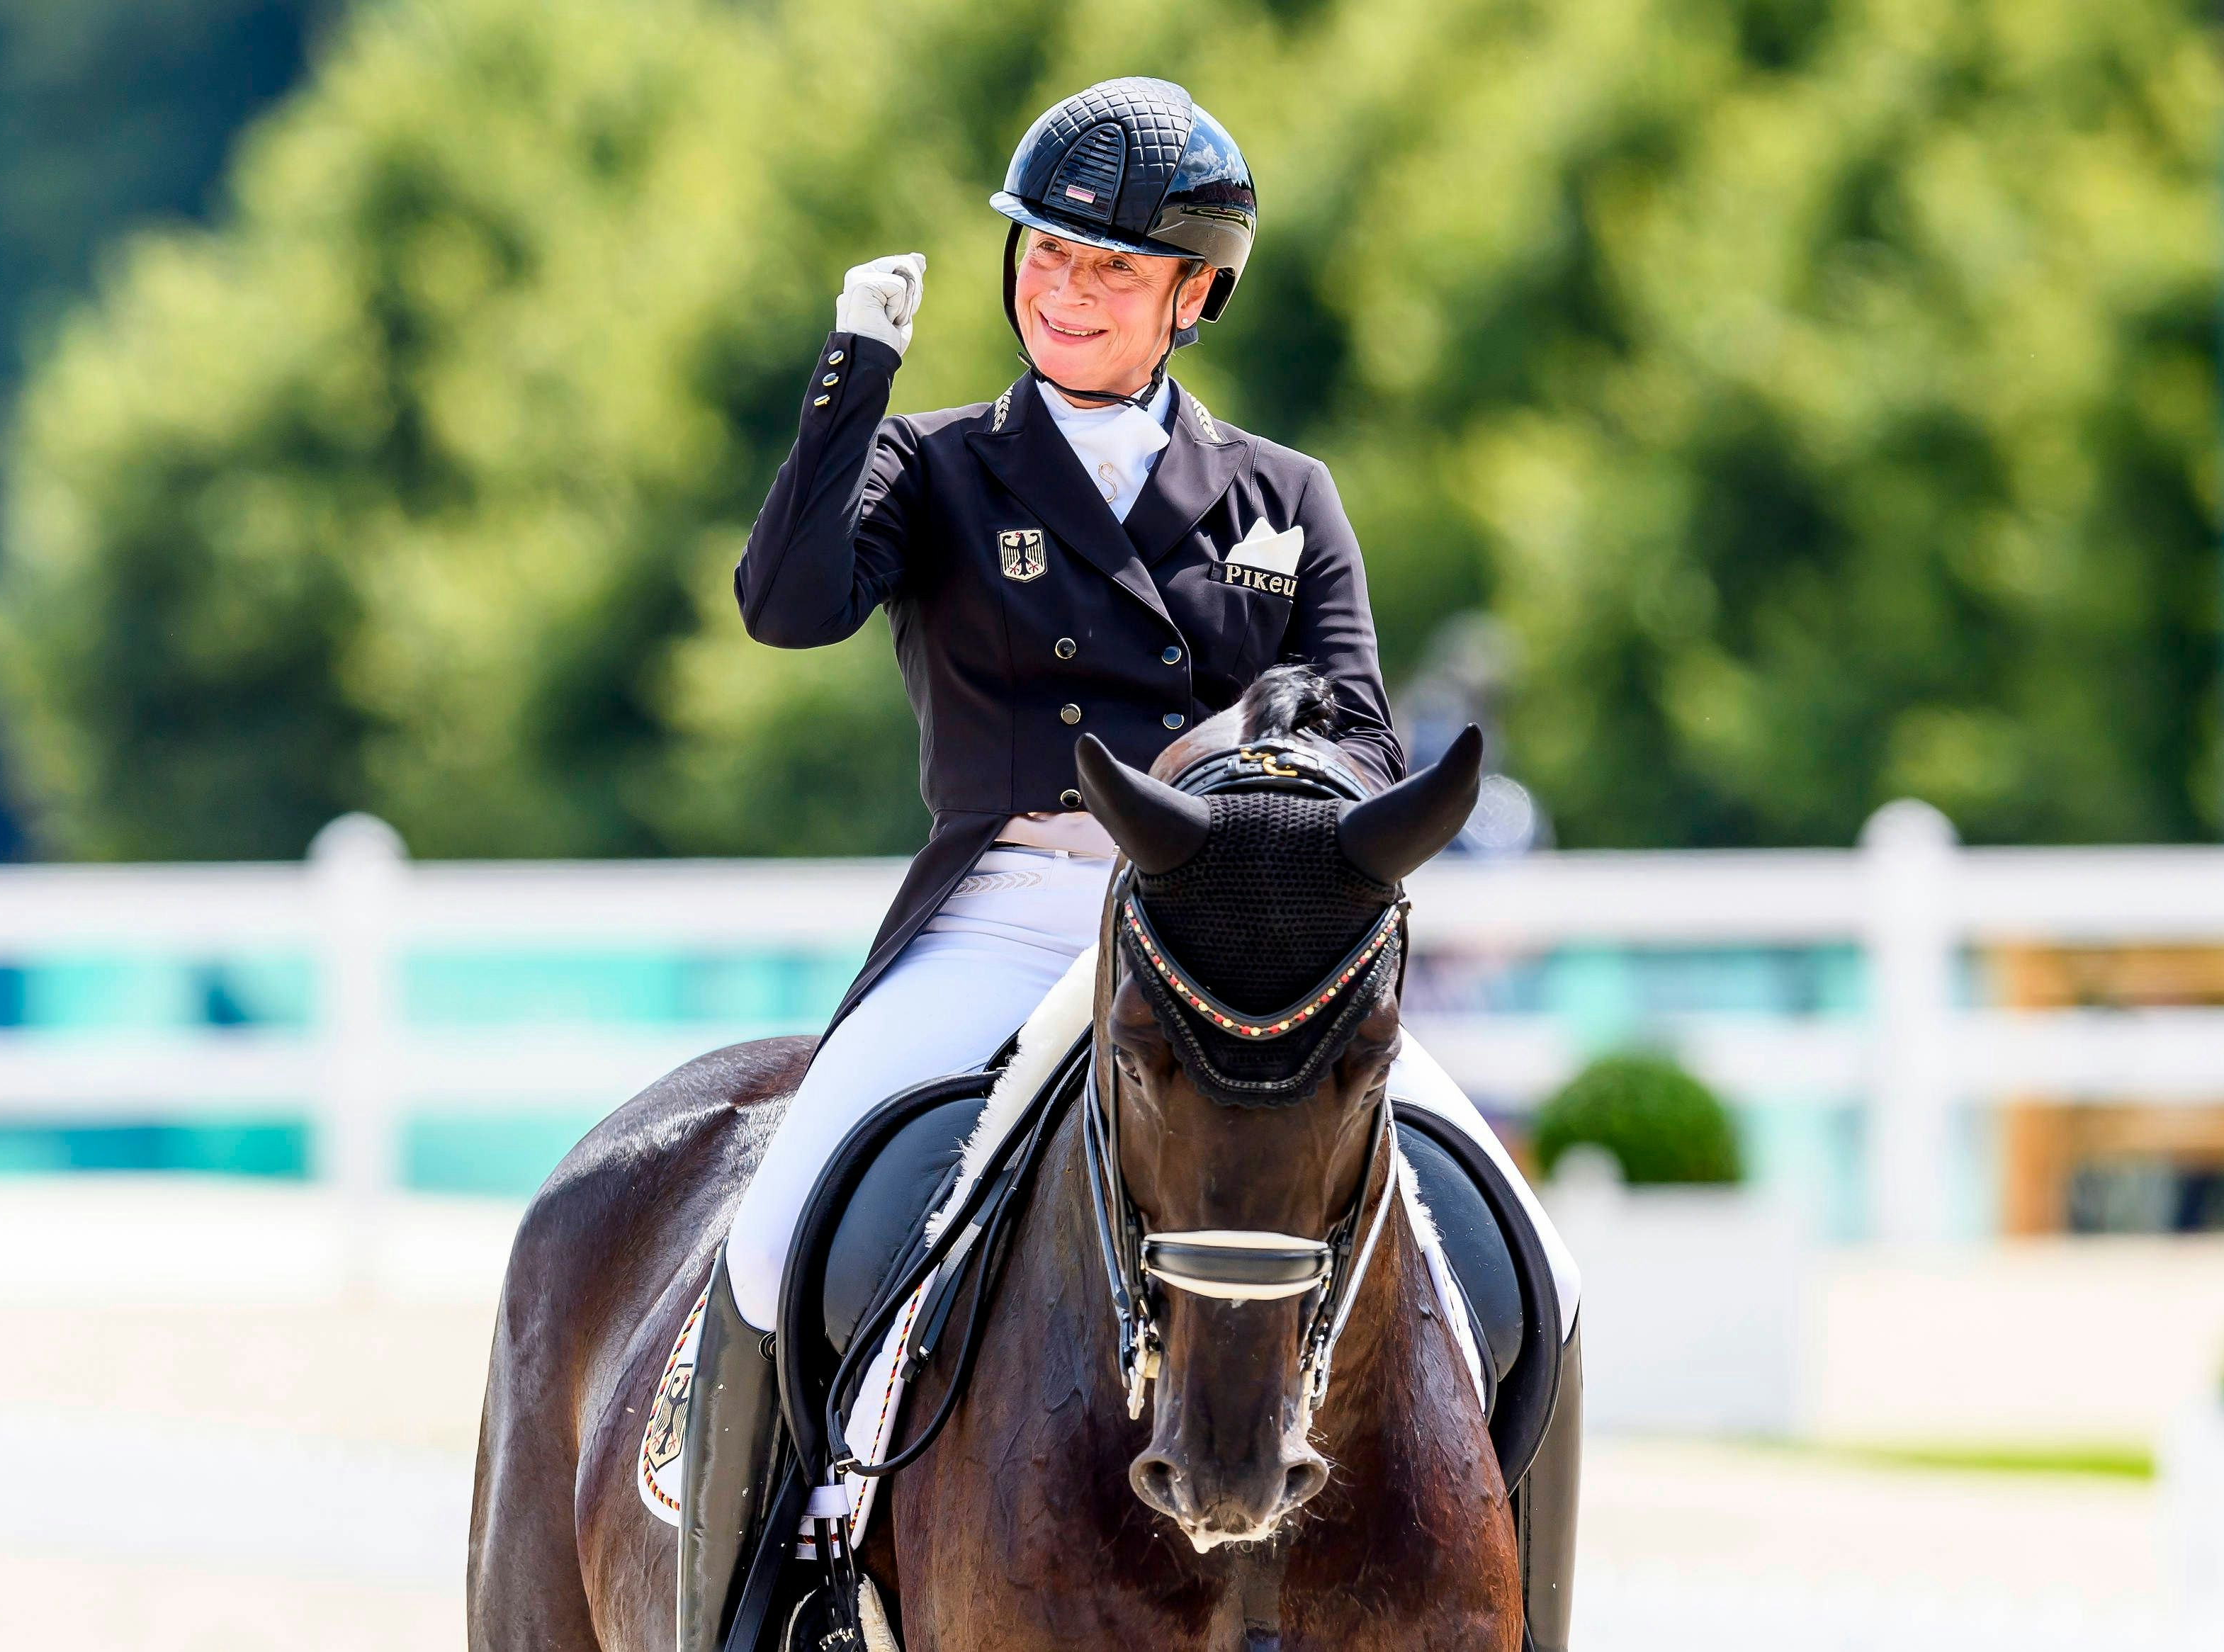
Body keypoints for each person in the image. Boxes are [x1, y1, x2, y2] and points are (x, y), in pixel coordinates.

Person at [674, 77, 1583, 1652]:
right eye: (1041, 251)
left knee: (1534, 1257)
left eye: (1107, 267)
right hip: (1011, 916)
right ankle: (768, 1598)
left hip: (1238, 929)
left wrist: (1259, 778)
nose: (1061, 286)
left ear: (1192, 295)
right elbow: (787, 602)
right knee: (783, 1220)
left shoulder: (1281, 497)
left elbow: (1365, 729)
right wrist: (852, 386)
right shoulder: (941, 466)